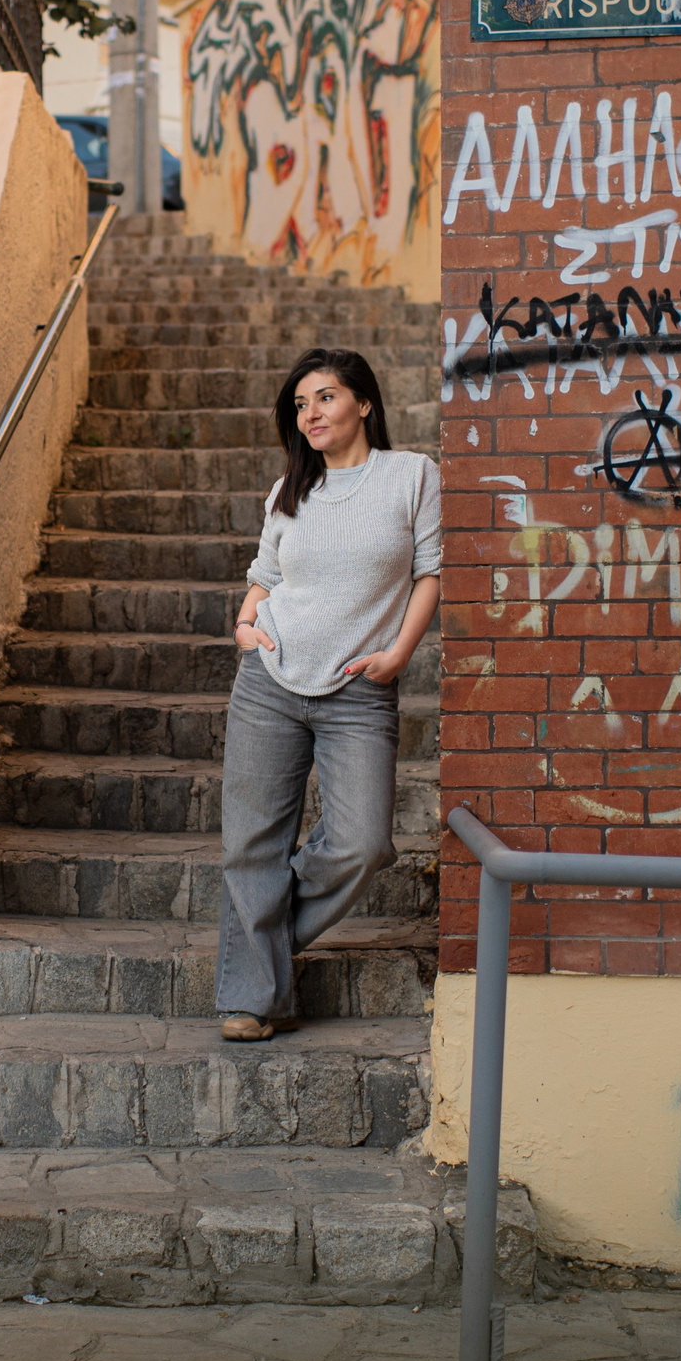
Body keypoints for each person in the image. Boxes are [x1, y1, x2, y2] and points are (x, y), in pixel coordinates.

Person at [218, 347, 440, 1040]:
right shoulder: (290, 489)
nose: (310, 413)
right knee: (252, 843)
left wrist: (399, 653)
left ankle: (261, 953)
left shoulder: (411, 476)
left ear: (364, 403)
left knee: (363, 840)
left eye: (325, 397)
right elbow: (266, 574)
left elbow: (430, 573)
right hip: (269, 680)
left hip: (358, 689)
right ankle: (253, 999)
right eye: (300, 404)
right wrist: (246, 620)